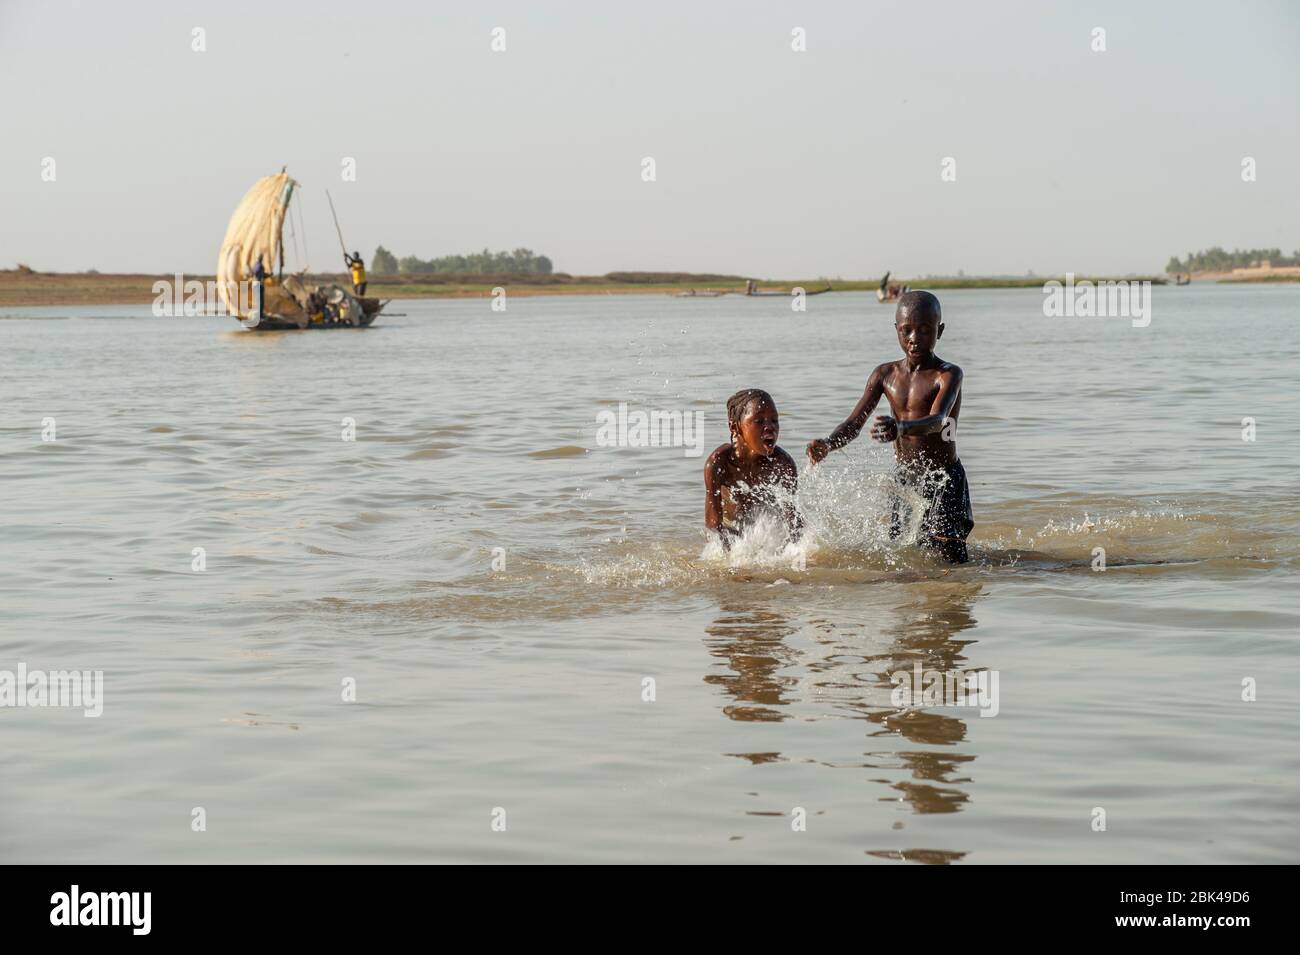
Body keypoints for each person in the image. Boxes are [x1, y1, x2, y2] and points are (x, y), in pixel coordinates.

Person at [806, 290, 973, 563]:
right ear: (896, 330)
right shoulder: (885, 375)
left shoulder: (948, 374)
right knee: (904, 557)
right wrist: (829, 444)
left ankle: (951, 602)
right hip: (905, 479)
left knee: (949, 562)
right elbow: (854, 423)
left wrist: (901, 428)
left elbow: (939, 421)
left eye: (924, 330)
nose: (914, 339)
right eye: (907, 330)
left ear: (939, 331)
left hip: (943, 478)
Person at [705, 389, 802, 550]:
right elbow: (714, 527)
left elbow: (794, 523)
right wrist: (729, 558)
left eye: (774, 420)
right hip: (731, 532)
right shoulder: (719, 463)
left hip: (766, 533)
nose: (770, 427)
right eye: (759, 421)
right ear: (735, 427)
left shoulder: (782, 464)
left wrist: (798, 553)